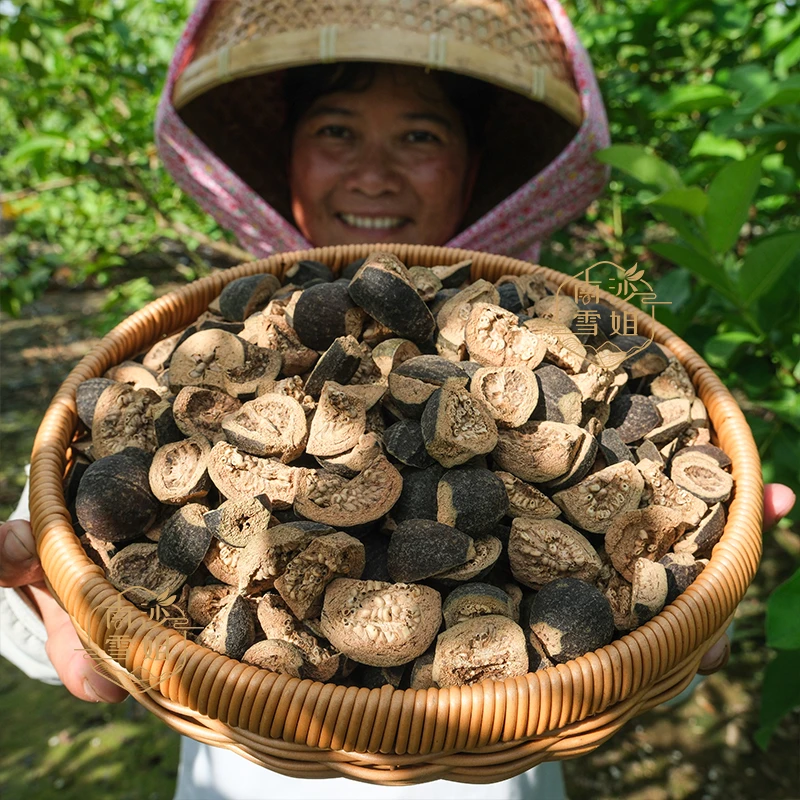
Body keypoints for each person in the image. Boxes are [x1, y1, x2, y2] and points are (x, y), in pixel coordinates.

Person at [1, 0, 796, 797]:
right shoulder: (216, 325)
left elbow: (636, 662)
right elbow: (43, 611)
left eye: (420, 135)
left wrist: (689, 627)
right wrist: (48, 594)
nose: (373, 171)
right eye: (337, 130)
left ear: (473, 166)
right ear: (288, 157)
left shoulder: (536, 306)